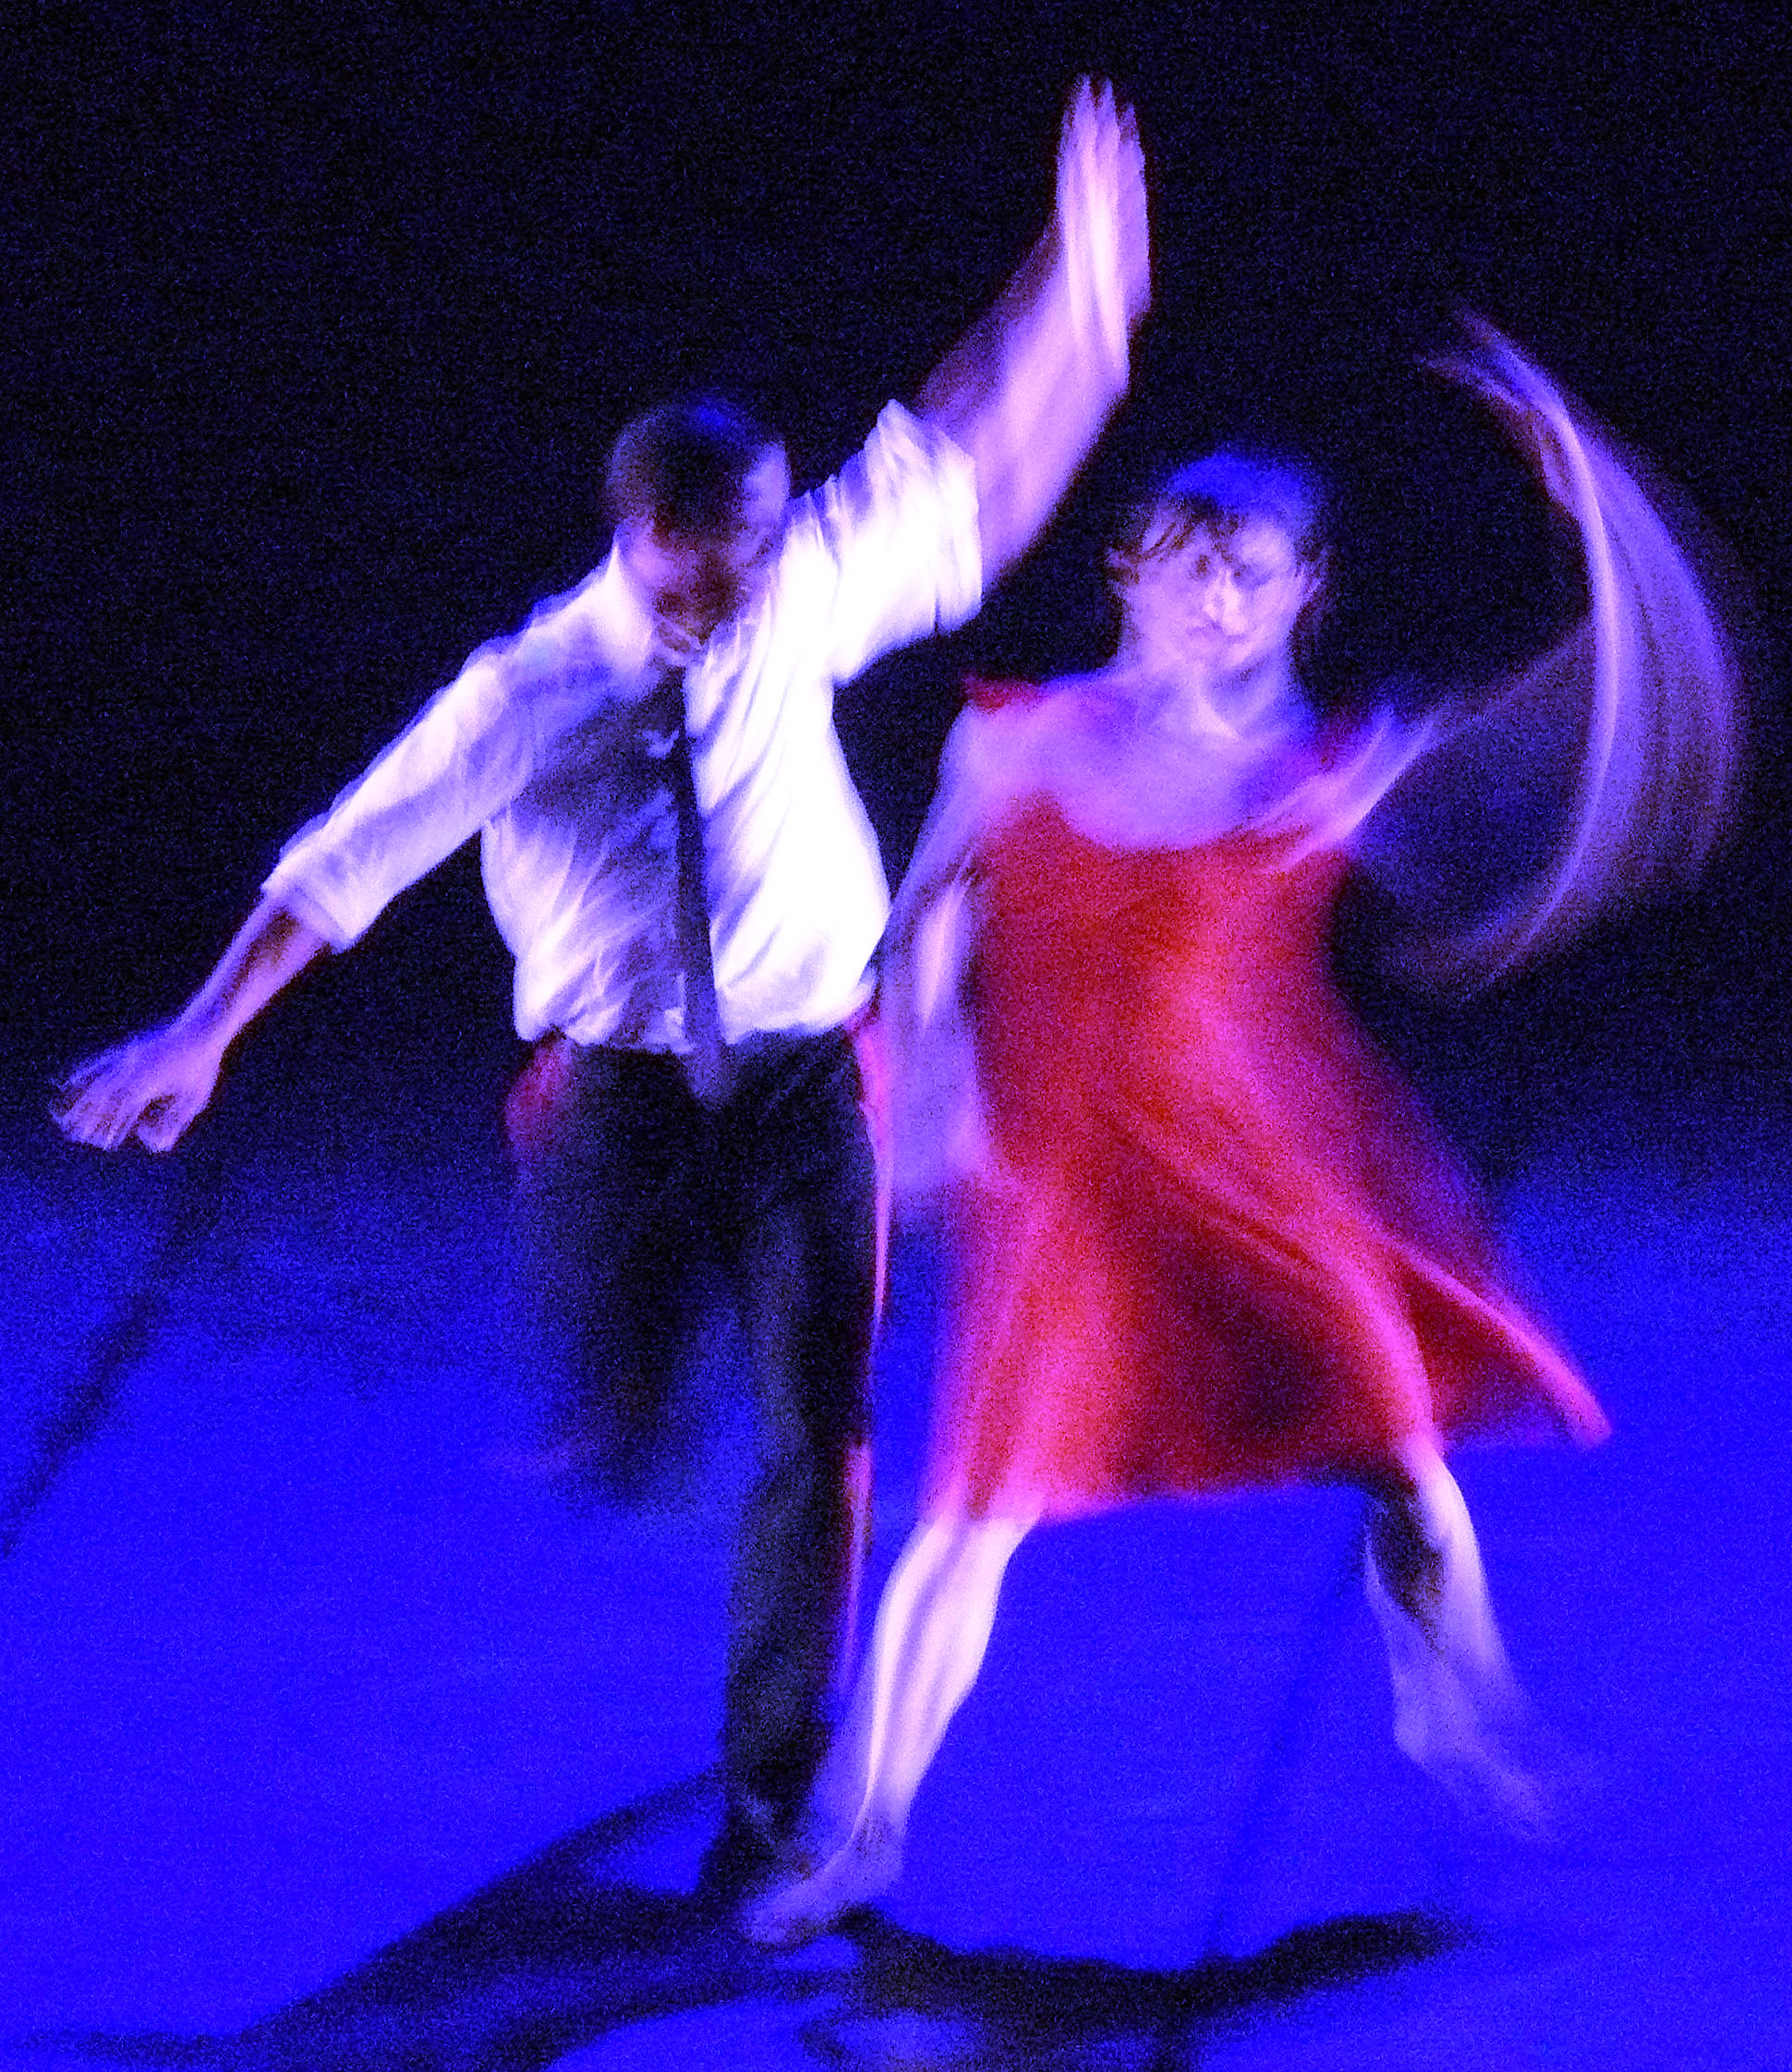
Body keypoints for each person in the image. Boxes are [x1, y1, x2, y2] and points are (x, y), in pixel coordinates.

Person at [52, 81, 1151, 1905]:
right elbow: (343, 870)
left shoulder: (796, 587)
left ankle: (776, 1784)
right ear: (633, 535)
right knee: (616, 1426)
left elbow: (973, 463)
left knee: (820, 1429)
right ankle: (619, 1379)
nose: (732, 597)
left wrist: (1081, 285)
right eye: (694, 569)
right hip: (616, 1091)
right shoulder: (524, 695)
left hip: (806, 1069)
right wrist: (198, 1034)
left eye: (757, 553)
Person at [745, 323, 1738, 1944]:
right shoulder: (1019, 735)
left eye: (1248, 574)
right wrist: (927, 1082)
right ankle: (858, 1833)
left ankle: (1466, 1718)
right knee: (968, 1526)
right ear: (1128, 572)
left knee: (1408, 1470)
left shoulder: (1322, 769)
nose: (1212, 596)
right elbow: (928, 909)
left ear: (1297, 596)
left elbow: (1599, 748)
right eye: (1184, 564)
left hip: (1265, 1179)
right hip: (1067, 1183)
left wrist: (1596, 511)